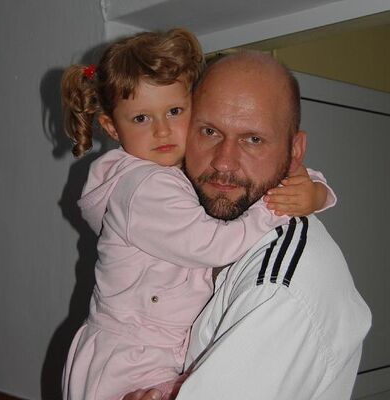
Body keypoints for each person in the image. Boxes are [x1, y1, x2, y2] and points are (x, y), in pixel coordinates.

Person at [61, 29, 334, 400]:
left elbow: (269, 172)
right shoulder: (146, 187)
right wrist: (275, 207)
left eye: (174, 112)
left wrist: (316, 190)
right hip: (130, 359)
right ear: (111, 127)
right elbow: (214, 245)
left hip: (153, 353)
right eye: (141, 118)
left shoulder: (172, 170)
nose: (162, 131)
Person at [123, 52, 371, 400]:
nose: (224, 162)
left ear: (295, 151)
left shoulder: (277, 289)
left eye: (253, 139)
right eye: (209, 131)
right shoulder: (184, 221)